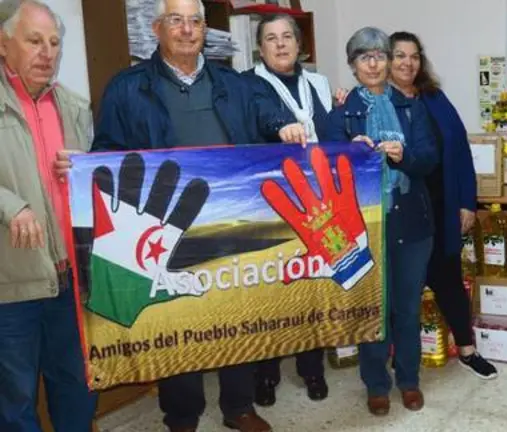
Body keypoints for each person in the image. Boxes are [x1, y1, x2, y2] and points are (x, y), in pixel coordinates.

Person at [92, 1, 303, 431]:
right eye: (176, 20)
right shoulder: (127, 87)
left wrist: (284, 125)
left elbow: (266, 115)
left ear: (205, 29)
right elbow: (104, 156)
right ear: (157, 29)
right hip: (163, 224)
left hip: (232, 219)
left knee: (235, 314)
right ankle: (183, 415)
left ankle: (239, 407)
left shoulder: (233, 82)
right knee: (176, 317)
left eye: (195, 21)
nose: (187, 30)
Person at [326, 27, 437, 416]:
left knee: (407, 307)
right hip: (362, 227)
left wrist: (402, 155)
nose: (373, 63)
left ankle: (409, 380)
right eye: (363, 57)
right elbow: (324, 167)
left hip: (411, 221)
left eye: (379, 55)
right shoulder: (340, 111)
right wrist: (348, 154)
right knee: (371, 307)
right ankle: (376, 383)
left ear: (389, 62)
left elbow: (428, 158)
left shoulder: (412, 106)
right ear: (353, 67)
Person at [0, 1, 98, 430]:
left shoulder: (75, 106)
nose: (48, 52)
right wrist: (10, 205)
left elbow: (104, 183)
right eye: (34, 41)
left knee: (76, 384)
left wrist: (88, 169)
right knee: (15, 397)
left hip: (69, 277)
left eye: (55, 43)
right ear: (4, 45)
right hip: (12, 282)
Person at [387, 31, 497, 379]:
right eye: (400, 55)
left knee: (449, 279)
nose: (408, 62)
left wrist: (467, 203)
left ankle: (467, 349)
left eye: (414, 55)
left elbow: (461, 150)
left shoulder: (434, 97)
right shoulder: (379, 102)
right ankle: (400, 354)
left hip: (442, 204)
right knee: (403, 285)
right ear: (387, 60)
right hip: (402, 213)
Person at [240, 14, 331, 406]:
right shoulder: (248, 84)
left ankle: (312, 370)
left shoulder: (320, 83)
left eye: (287, 37)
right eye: (271, 39)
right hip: (270, 205)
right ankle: (266, 373)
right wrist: (281, 126)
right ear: (260, 48)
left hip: (317, 204)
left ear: (299, 44)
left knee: (312, 287)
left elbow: (332, 133)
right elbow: (260, 120)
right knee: (271, 293)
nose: (280, 45)